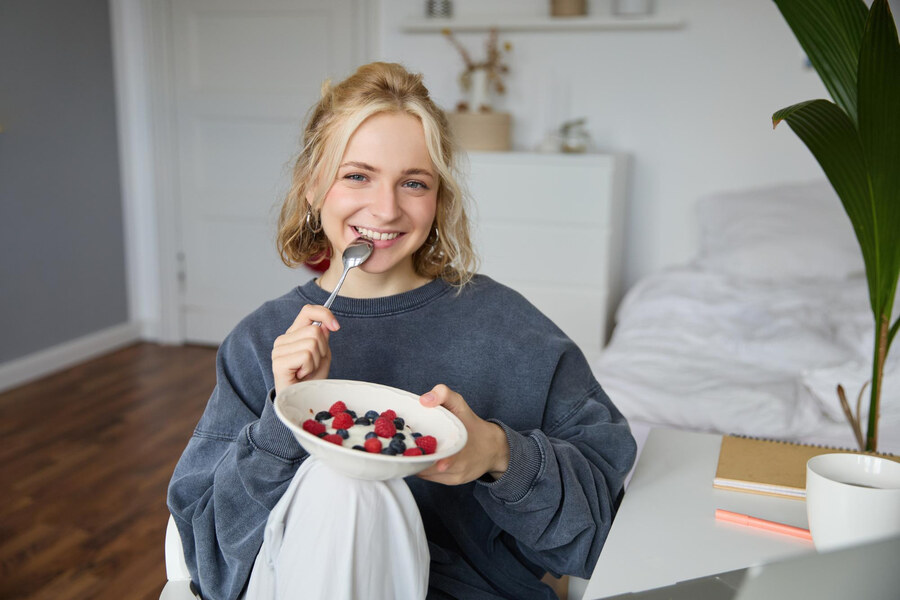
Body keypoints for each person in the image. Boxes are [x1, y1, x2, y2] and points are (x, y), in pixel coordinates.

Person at [168, 61, 636, 600]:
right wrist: (286, 417)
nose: (386, 209)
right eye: (357, 175)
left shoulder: (513, 332)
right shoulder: (261, 343)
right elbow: (209, 563)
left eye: (413, 183)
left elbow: (604, 535)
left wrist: (498, 453)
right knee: (343, 485)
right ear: (312, 187)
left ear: (438, 201)